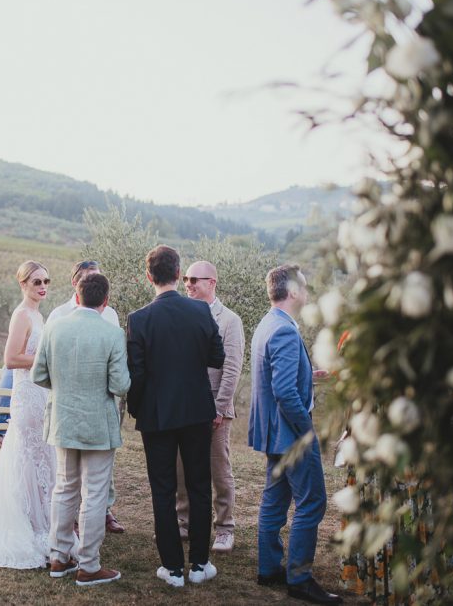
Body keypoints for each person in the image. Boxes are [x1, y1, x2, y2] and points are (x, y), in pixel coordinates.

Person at [126, 245, 225, 588]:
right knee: (200, 486)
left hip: (157, 414)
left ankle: (172, 568)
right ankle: (199, 563)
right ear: (177, 271)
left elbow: (136, 374)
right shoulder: (201, 311)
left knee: (163, 489)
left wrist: (137, 408)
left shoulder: (139, 320)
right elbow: (216, 357)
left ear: (149, 276)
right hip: (197, 410)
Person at [249, 264, 340, 604]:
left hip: (273, 433)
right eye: (303, 287)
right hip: (291, 435)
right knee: (312, 501)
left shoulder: (269, 322)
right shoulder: (286, 330)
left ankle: (269, 569)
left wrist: (307, 374)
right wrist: (307, 432)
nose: (306, 292)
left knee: (274, 500)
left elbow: (280, 377)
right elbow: (284, 391)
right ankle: (299, 578)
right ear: (292, 292)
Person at [33, 273, 130, 587]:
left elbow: (39, 375)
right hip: (97, 424)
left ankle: (58, 557)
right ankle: (89, 565)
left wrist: (64, 388)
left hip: (62, 419)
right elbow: (120, 384)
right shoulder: (112, 333)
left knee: (64, 488)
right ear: (105, 301)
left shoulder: (54, 327)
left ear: (77, 296)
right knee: (95, 494)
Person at [0, 261, 55, 569]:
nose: (42, 286)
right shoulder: (21, 314)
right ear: (23, 284)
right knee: (29, 457)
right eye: (36, 282)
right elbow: (11, 358)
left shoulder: (38, 314)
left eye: (45, 281)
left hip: (41, 393)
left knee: (42, 459)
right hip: (27, 396)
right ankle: (30, 526)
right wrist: (45, 359)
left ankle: (42, 523)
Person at [47, 259, 125, 534]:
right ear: (76, 283)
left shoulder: (111, 315)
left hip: (102, 404)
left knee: (99, 475)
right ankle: (82, 543)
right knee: (71, 479)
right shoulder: (58, 315)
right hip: (69, 407)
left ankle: (102, 512)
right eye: (91, 278)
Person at [178, 260, 244, 554]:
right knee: (182, 468)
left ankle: (225, 528)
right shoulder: (182, 314)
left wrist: (218, 408)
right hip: (185, 407)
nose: (188, 284)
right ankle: (182, 522)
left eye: (194, 279)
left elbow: (231, 368)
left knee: (219, 470)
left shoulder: (230, 320)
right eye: (185, 279)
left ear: (212, 283)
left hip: (215, 408)